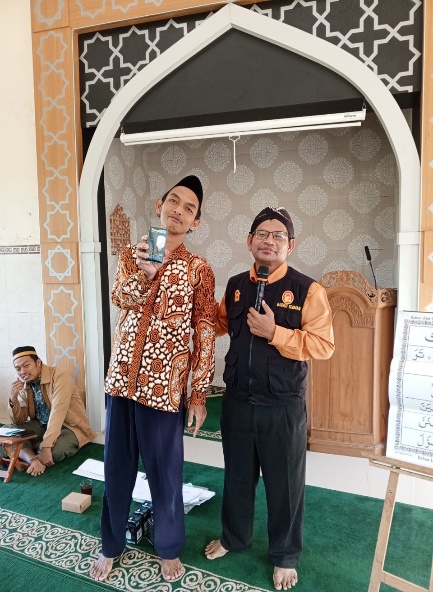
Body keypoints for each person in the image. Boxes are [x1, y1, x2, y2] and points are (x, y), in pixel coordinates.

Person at [91, 175, 216, 583]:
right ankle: (111, 545)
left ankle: (168, 548)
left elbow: (205, 331)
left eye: (189, 208)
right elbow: (120, 298)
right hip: (122, 382)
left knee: (165, 473)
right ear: (160, 204)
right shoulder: (134, 252)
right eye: (174, 201)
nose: (179, 210)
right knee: (117, 469)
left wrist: (199, 393)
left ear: (195, 222)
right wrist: (145, 273)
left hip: (163, 388)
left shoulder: (199, 270)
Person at [205, 207, 335, 590]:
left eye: (278, 235)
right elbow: (218, 323)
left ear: (290, 246)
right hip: (237, 403)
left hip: (283, 407)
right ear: (249, 241)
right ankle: (234, 537)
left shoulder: (308, 290)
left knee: (285, 486)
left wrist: (275, 332)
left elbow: (324, 345)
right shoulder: (236, 285)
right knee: (237, 477)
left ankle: (285, 555)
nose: (269, 241)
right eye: (262, 233)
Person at [3, 346, 96, 477]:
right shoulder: (24, 384)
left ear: (38, 362)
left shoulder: (60, 377)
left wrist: (46, 447)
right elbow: (18, 421)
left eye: (26, 365)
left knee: (55, 450)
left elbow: (58, 412)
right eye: (18, 369)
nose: (22, 371)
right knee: (5, 433)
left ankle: (29, 449)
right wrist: (13, 398)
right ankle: (34, 460)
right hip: (41, 426)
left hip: (68, 427)